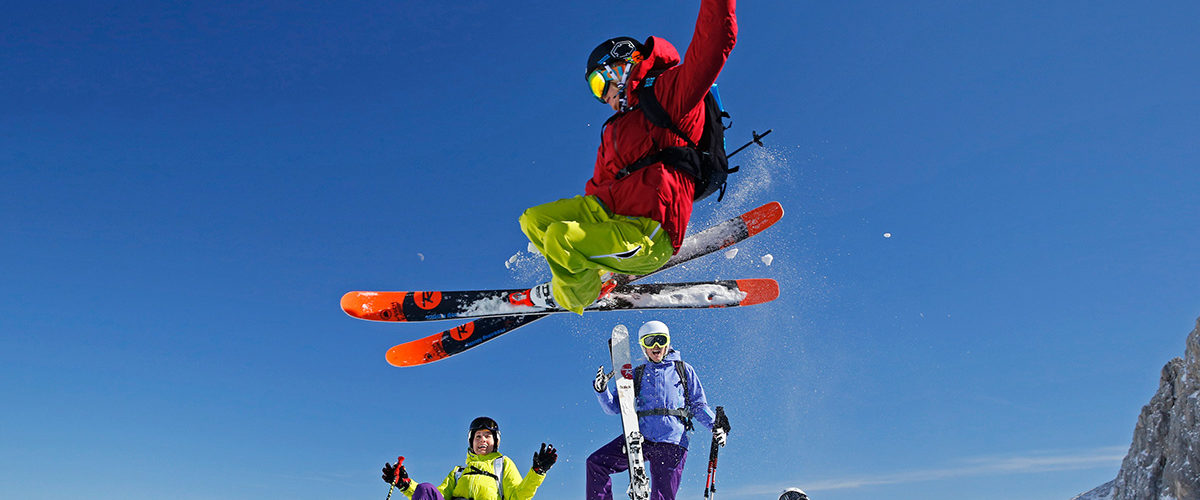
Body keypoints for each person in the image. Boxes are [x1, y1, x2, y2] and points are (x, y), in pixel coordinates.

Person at [513, 0, 738, 314]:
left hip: (649, 233)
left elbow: (714, 43)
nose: (602, 94)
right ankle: (592, 271)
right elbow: (598, 190)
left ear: (622, 64)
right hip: (610, 216)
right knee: (535, 221)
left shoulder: (669, 92)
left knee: (560, 238)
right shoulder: (615, 129)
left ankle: (577, 294)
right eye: (595, 90)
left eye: (599, 82)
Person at [587, 320, 730, 500]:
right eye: (650, 342)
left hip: (672, 441)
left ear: (668, 343)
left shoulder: (683, 370)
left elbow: (698, 404)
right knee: (596, 463)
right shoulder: (636, 374)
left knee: (662, 496)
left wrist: (714, 426)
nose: (656, 346)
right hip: (641, 438)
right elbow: (615, 407)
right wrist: (602, 391)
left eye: (660, 341)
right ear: (643, 347)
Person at [380, 416, 557, 500]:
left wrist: (537, 472)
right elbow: (435, 497)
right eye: (478, 436)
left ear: (495, 441)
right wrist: (404, 483)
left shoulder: (502, 464)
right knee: (426, 489)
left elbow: (519, 496)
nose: (482, 440)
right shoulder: (458, 473)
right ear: (471, 442)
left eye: (487, 436)